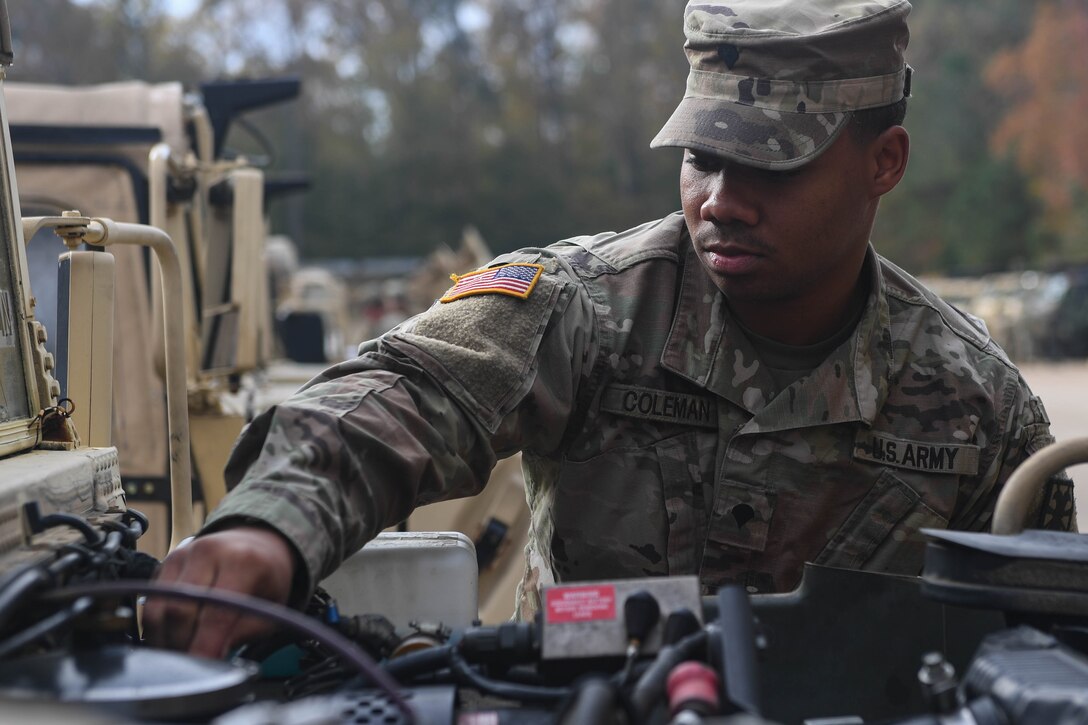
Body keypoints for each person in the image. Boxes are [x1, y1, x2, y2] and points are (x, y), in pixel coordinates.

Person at [145, 0, 1077, 658]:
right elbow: (406, 392)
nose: (721, 200)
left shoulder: (982, 412)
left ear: (885, 161)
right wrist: (272, 528)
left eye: (772, 167)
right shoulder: (583, 308)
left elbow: (1033, 652)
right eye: (703, 156)